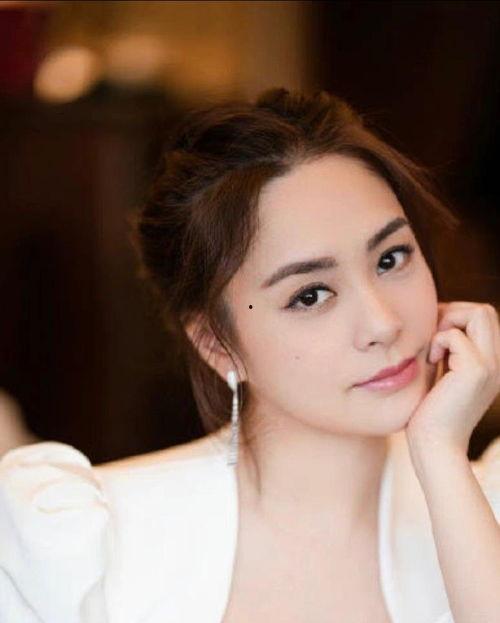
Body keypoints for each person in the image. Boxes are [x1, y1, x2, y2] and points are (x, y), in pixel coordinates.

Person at [0, 87, 499, 623]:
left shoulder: (483, 504)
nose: (383, 323)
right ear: (217, 343)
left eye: (391, 258)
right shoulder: (88, 547)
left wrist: (441, 456)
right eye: (311, 295)